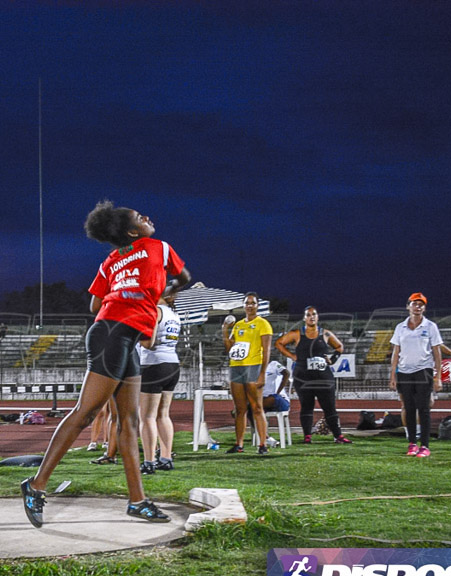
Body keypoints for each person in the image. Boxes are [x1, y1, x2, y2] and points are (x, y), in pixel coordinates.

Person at [21, 200, 191, 527]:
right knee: (85, 413)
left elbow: (95, 303)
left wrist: (127, 290)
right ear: (132, 231)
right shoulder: (160, 247)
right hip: (113, 336)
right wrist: (156, 292)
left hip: (114, 332)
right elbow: (183, 277)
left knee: (129, 421)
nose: (147, 216)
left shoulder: (111, 260)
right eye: (140, 217)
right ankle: (36, 485)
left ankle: (138, 501)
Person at [275, 306, 352, 444]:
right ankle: (307, 436)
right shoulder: (297, 334)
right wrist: (292, 356)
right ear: (304, 318)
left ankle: (338, 436)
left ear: (317, 317)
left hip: (323, 378)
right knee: (306, 406)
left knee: (329, 406)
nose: (311, 317)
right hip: (303, 377)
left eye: (314, 314)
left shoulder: (325, 334)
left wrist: (332, 359)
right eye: (308, 315)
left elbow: (339, 347)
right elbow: (279, 343)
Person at [389, 292, 444, 458]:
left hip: (423, 371)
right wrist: (393, 374)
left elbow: (437, 351)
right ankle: (412, 443)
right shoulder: (400, 327)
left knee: (424, 408)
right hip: (405, 372)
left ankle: (425, 445)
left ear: (424, 308)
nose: (418, 307)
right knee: (409, 408)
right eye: (415, 303)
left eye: (421, 304)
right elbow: (395, 351)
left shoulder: (430, 326)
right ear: (408, 306)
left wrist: (438, 376)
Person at [221, 294, 273, 454]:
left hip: (253, 366)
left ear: (258, 305)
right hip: (236, 367)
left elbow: (267, 350)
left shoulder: (263, 324)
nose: (250, 306)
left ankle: (262, 444)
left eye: (253, 303)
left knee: (257, 407)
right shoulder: (238, 325)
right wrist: (224, 330)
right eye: (247, 303)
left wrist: (263, 373)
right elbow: (230, 348)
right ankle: (239, 444)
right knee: (240, 408)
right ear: (243, 306)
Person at [138, 293, 182, 474]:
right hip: (172, 364)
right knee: (163, 415)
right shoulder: (174, 314)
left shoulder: (154, 311)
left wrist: (135, 336)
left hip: (154, 365)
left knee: (147, 417)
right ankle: (166, 458)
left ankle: (149, 461)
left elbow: (148, 342)